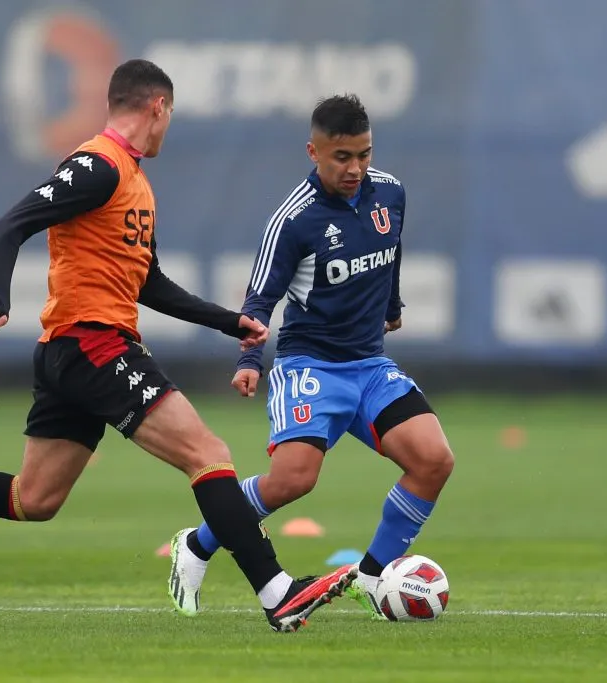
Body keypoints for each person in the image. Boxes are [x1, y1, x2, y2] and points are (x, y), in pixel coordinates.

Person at [0, 59, 356, 633]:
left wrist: (227, 321)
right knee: (207, 454)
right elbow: (9, 225)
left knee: (33, 498)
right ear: (157, 107)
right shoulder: (97, 165)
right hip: (94, 345)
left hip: (74, 352)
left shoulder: (135, 182)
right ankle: (276, 591)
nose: (168, 128)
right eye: (169, 116)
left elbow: (149, 283)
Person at [166, 94, 455, 619]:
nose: (356, 168)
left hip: (369, 366)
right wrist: (250, 362)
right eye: (341, 157)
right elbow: (258, 300)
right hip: (311, 367)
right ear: (313, 152)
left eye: (364, 154)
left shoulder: (390, 192)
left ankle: (371, 577)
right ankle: (198, 544)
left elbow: (390, 258)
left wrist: (392, 305)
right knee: (294, 480)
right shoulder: (293, 220)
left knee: (433, 460)